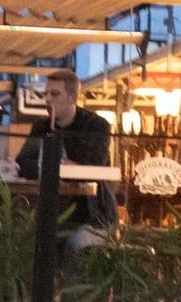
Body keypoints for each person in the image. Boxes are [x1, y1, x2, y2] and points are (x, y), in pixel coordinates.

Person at [18, 68, 118, 248]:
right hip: (52, 212)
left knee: (76, 244)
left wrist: (51, 166)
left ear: (72, 97)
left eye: (54, 94)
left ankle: (73, 278)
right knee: (26, 241)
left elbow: (92, 169)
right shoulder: (42, 127)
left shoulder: (95, 126)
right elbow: (22, 164)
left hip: (92, 215)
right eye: (46, 94)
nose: (48, 99)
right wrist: (62, 166)